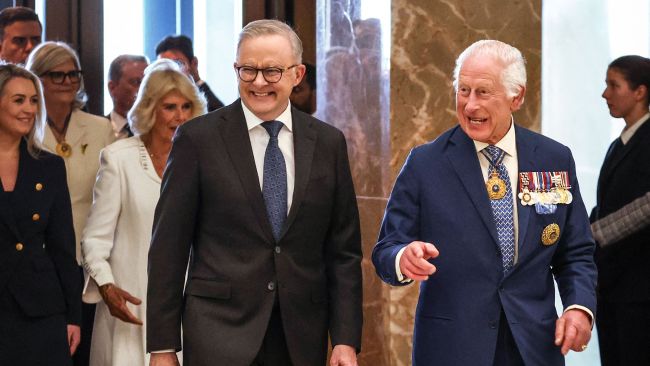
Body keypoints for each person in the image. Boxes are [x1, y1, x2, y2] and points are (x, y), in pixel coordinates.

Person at [147, 19, 362, 366]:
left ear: (297, 74)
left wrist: (345, 339)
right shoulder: (197, 140)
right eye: (248, 70)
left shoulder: (327, 142)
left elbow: (343, 252)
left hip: (300, 337)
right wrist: (162, 346)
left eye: (272, 71)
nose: (259, 82)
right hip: (218, 333)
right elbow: (168, 250)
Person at [372, 40, 597, 366]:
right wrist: (402, 258)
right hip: (453, 348)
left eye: (483, 92)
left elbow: (575, 252)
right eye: (463, 91)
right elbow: (386, 248)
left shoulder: (553, 158)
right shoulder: (426, 163)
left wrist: (578, 307)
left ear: (516, 97)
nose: (470, 105)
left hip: (533, 346)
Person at [81, 59, 206, 366]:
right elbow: (95, 242)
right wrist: (107, 287)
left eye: (186, 106)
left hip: (192, 309)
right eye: (170, 107)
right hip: (131, 308)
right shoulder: (118, 159)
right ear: (150, 110)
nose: (180, 117)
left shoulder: (204, 161)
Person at [26, 41, 115, 366]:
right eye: (57, 75)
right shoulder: (26, 130)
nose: (67, 82)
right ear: (37, 79)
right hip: (44, 259)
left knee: (88, 344)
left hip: (92, 257)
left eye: (73, 74)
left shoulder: (101, 128)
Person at [0, 63, 81, 365]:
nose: (29, 109)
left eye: (34, 100)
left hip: (40, 311)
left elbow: (62, 247)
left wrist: (74, 315)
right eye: (18, 100)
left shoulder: (49, 166)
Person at [592, 55, 650, 366]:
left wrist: (593, 234)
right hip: (613, 288)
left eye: (614, 85)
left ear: (640, 92)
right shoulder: (619, 144)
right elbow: (605, 207)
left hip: (640, 294)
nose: (606, 94)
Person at [155, 34, 224, 112]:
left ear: (194, 64)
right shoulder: (154, 102)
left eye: (177, 64)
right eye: (162, 66)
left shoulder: (214, 109)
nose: (169, 72)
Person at [107, 54, 149, 139]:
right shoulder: (94, 130)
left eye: (148, 83)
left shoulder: (160, 131)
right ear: (112, 88)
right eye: (136, 82)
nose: (145, 90)